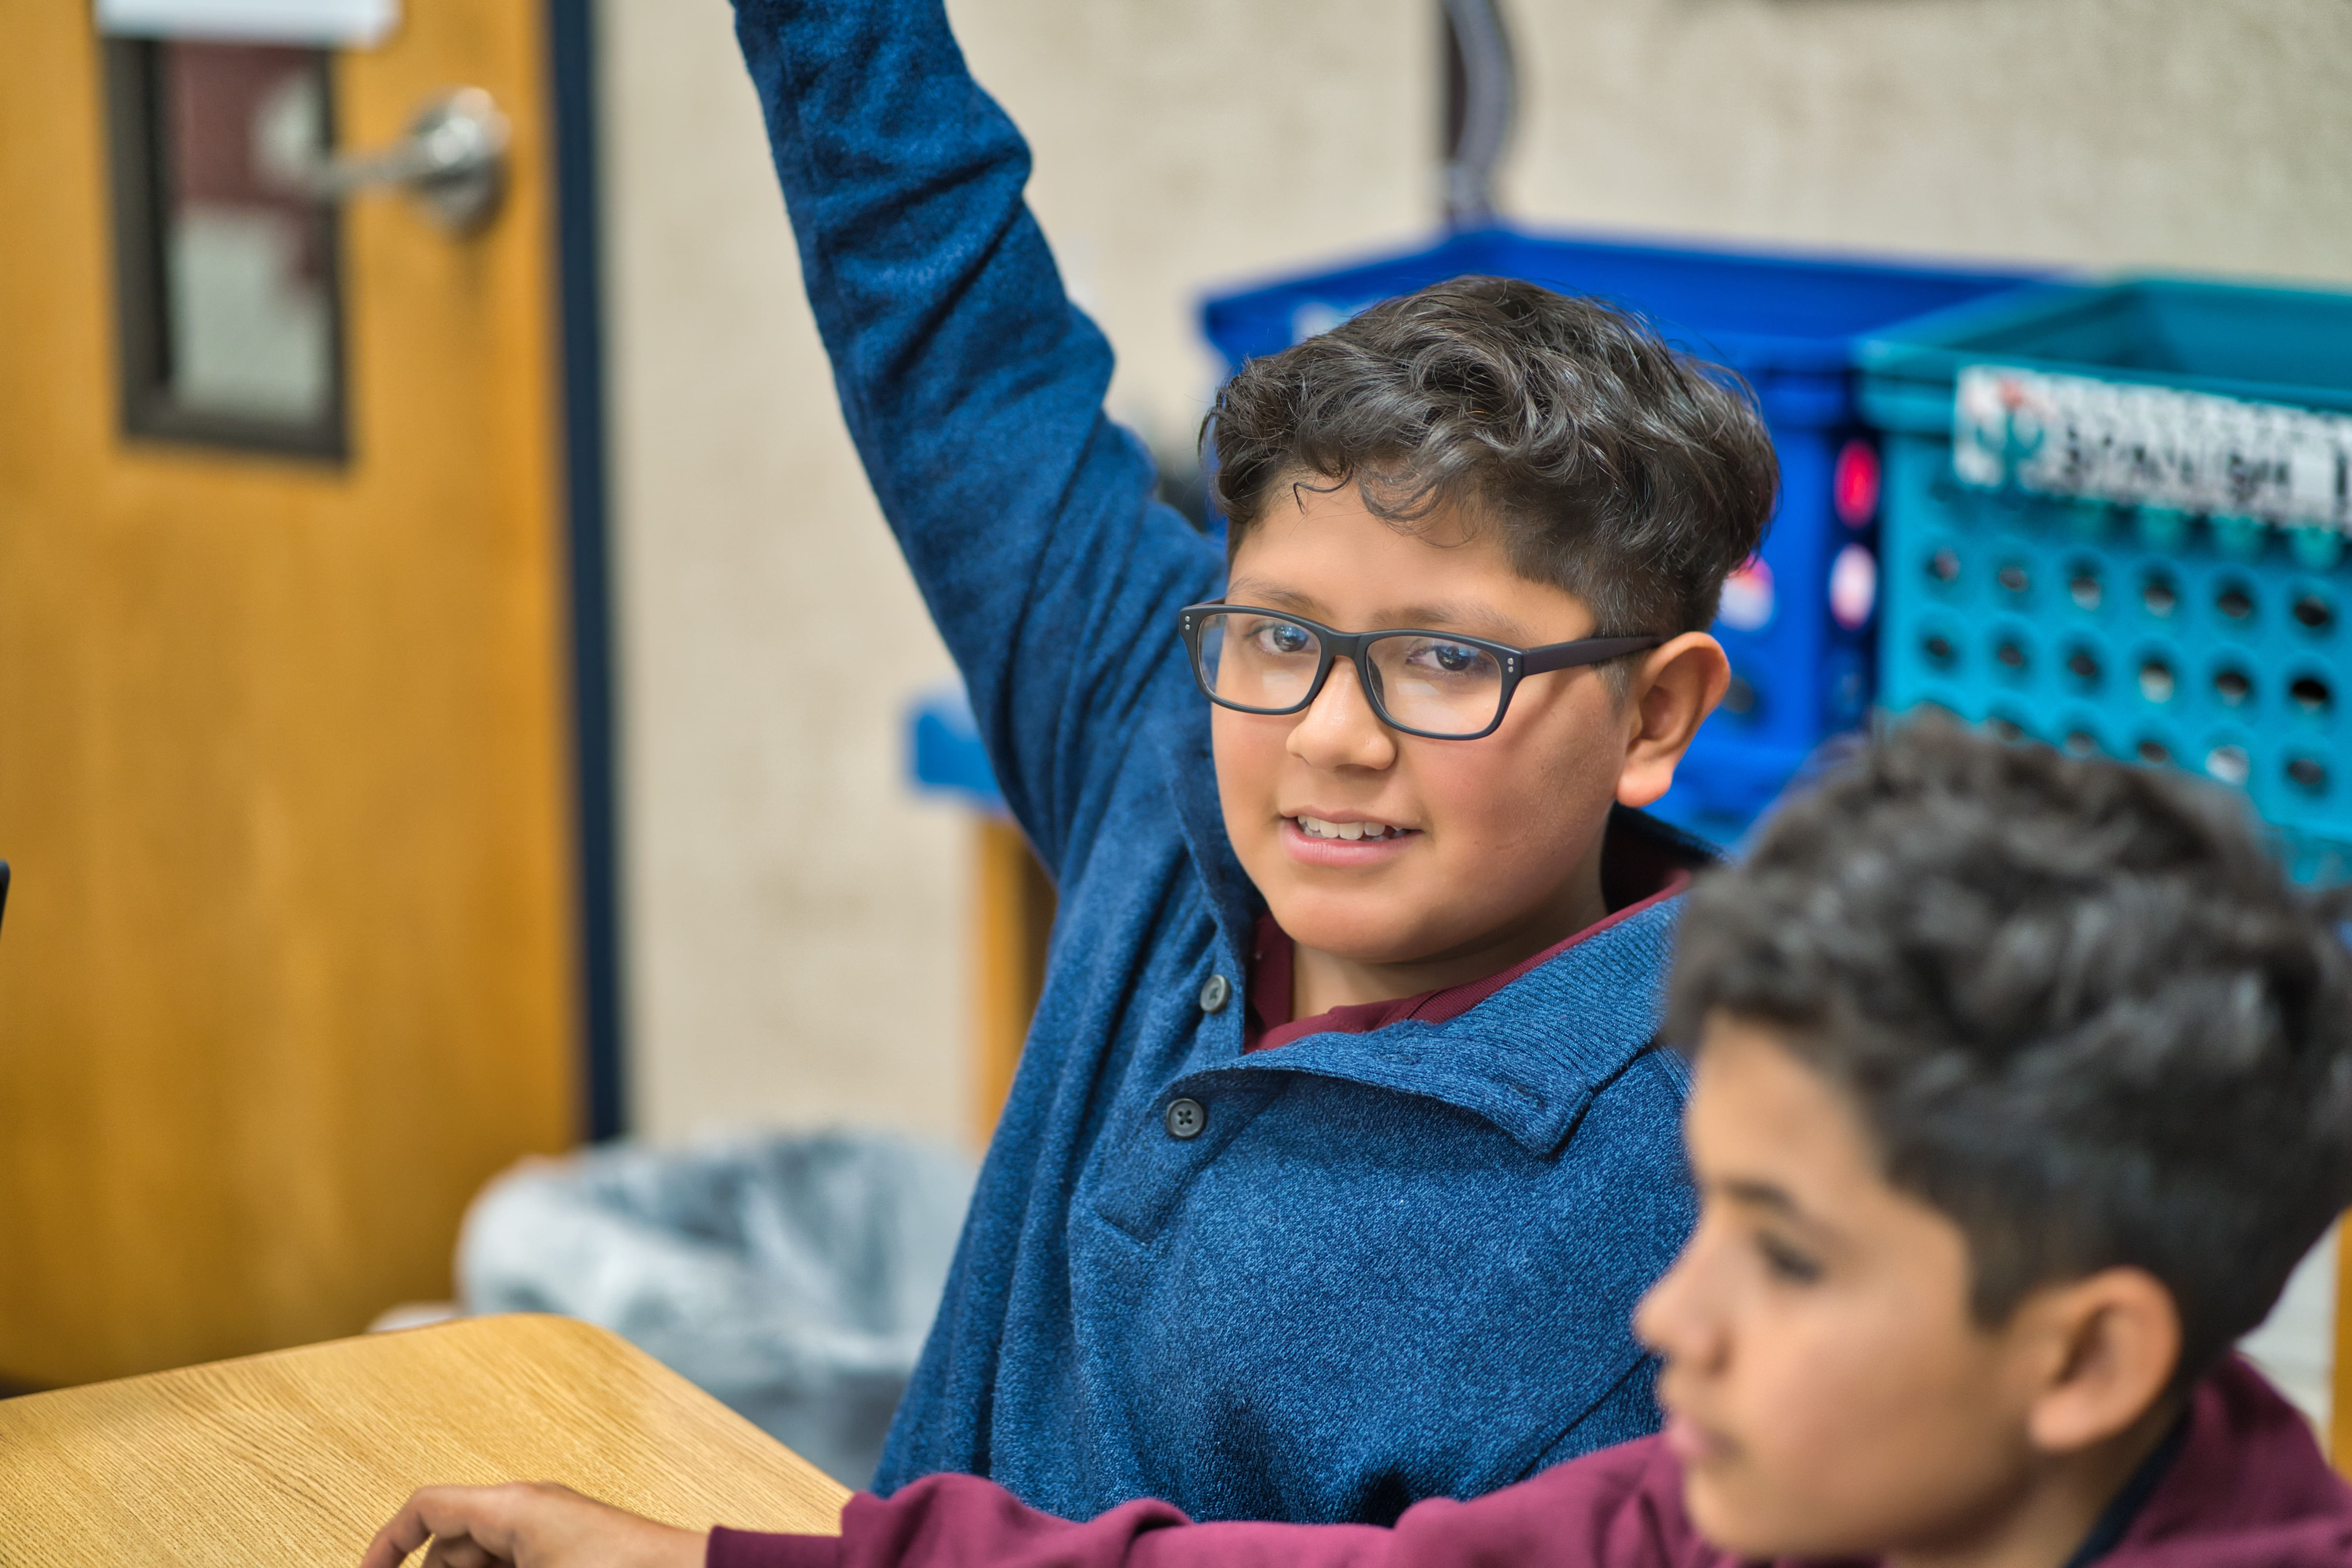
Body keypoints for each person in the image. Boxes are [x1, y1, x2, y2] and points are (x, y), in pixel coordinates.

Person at [360, 719, 2352, 1568]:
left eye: (1791, 1251)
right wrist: (709, 1556)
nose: (1681, 1309)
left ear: (2084, 1358)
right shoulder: (1733, 1511)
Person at [700, 0, 1774, 1530]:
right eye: (1278, 638)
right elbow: (951, 337)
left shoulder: (1675, 1221)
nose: (1330, 735)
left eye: (1447, 661)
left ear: (1657, 717)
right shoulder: (1173, 744)